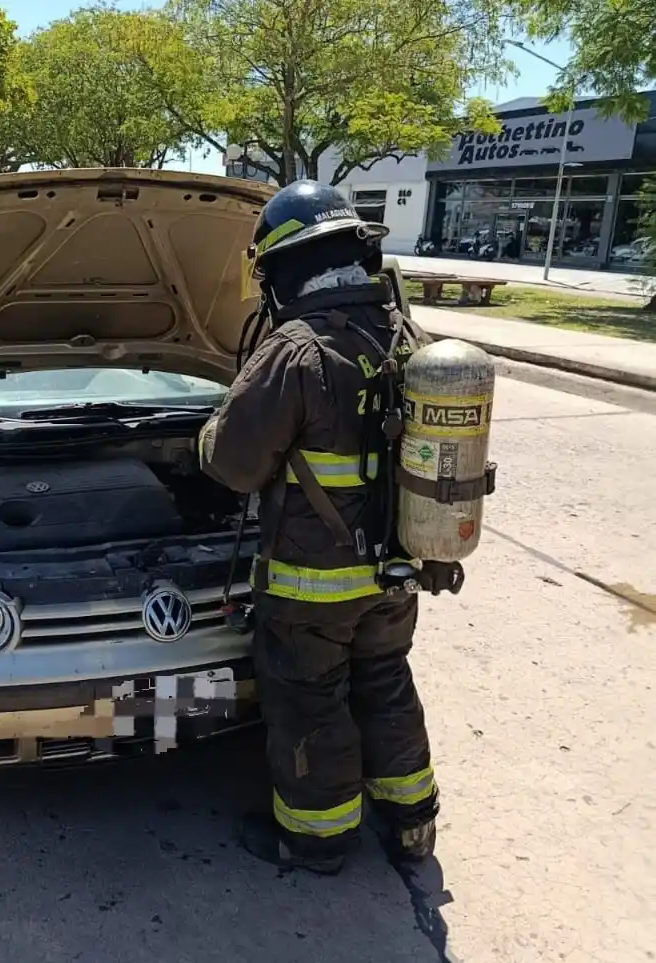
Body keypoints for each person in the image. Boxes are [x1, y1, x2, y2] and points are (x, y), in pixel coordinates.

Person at [198, 181, 440, 876]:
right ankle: (411, 821)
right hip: (394, 571)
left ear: (283, 268)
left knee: (310, 703)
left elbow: (234, 464)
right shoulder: (401, 336)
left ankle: (316, 838)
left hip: (312, 584)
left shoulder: (295, 349)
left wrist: (206, 434)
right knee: (385, 682)